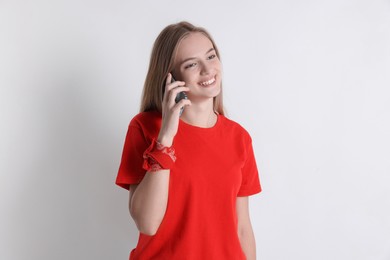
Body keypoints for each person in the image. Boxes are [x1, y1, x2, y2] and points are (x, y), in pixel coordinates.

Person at [116, 21, 262, 260]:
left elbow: (243, 228)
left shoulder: (239, 138)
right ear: (170, 78)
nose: (207, 69)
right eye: (192, 64)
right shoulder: (145, 128)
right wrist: (166, 137)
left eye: (211, 56)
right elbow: (147, 223)